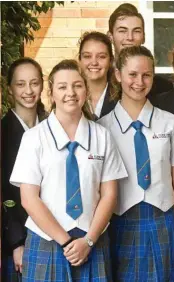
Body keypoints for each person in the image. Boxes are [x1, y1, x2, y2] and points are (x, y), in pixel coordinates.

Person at [11, 59, 127, 281]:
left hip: (92, 242)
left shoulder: (102, 136)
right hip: (47, 241)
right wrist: (66, 242)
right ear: (51, 93)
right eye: (62, 87)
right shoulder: (34, 138)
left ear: (85, 89)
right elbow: (28, 198)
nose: (70, 93)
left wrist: (88, 241)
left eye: (77, 85)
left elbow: (110, 194)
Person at [98, 46, 174, 281]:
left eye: (146, 75)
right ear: (118, 75)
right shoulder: (102, 129)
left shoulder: (170, 123)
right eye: (132, 74)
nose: (139, 82)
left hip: (163, 220)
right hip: (119, 223)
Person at [1, 57, 48, 282]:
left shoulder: (53, 127)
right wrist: (16, 242)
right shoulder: (3, 132)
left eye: (34, 83)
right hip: (18, 240)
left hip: (54, 232)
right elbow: (5, 194)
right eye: (20, 84)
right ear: (10, 89)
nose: (28, 91)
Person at [108, 3, 173, 98]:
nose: (130, 37)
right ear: (110, 37)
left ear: (144, 37)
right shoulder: (100, 81)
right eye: (122, 31)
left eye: (136, 31)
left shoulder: (163, 87)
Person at [78, 31, 117, 119]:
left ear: (111, 60)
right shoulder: (71, 96)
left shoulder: (123, 98)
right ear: (79, 60)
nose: (94, 62)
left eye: (101, 56)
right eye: (87, 56)